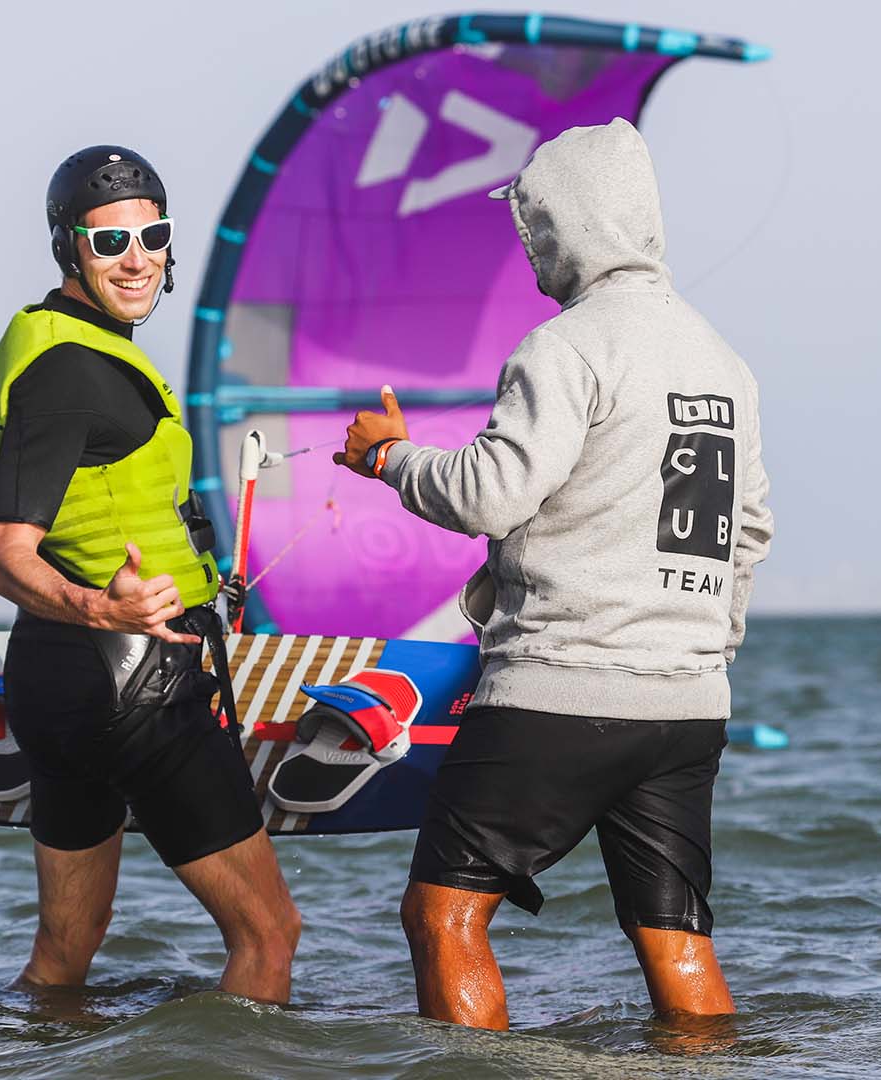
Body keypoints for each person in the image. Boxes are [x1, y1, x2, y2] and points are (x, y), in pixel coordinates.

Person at [337, 120, 773, 1029]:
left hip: (562, 689)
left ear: (569, 226)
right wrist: (702, 651)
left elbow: (493, 493)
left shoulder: (566, 347)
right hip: (690, 703)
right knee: (675, 935)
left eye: (532, 225)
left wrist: (390, 460)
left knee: (441, 914)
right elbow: (751, 529)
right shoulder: (723, 360)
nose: (527, 246)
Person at [0, 145, 299, 1003]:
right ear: (68, 248)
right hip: (131, 678)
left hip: (60, 684)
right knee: (268, 938)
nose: (137, 259)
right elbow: (6, 554)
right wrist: (97, 607)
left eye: (151, 236)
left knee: (64, 952)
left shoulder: (65, 348)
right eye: (109, 241)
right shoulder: (69, 372)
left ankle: (27, 1058)